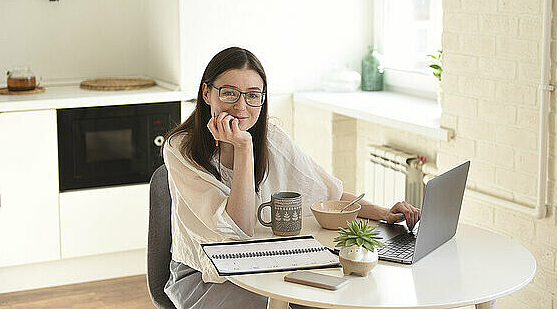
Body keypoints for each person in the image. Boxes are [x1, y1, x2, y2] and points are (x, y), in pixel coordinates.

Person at [162, 47, 421, 309]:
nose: (241, 106)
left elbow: (329, 194)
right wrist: (243, 149)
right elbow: (239, 229)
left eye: (253, 96)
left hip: (263, 263)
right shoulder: (179, 149)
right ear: (207, 93)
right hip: (204, 274)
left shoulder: (272, 138)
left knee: (338, 294)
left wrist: (384, 213)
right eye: (229, 93)